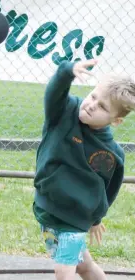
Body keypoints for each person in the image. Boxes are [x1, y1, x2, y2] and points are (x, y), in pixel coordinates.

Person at [33, 59, 135, 280]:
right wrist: (67, 72)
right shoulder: (63, 113)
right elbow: (54, 93)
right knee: (84, 266)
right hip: (49, 211)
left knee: (64, 270)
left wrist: (97, 218)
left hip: (74, 219)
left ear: (115, 121)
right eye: (93, 96)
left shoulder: (111, 154)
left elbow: (109, 191)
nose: (91, 104)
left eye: (102, 107)